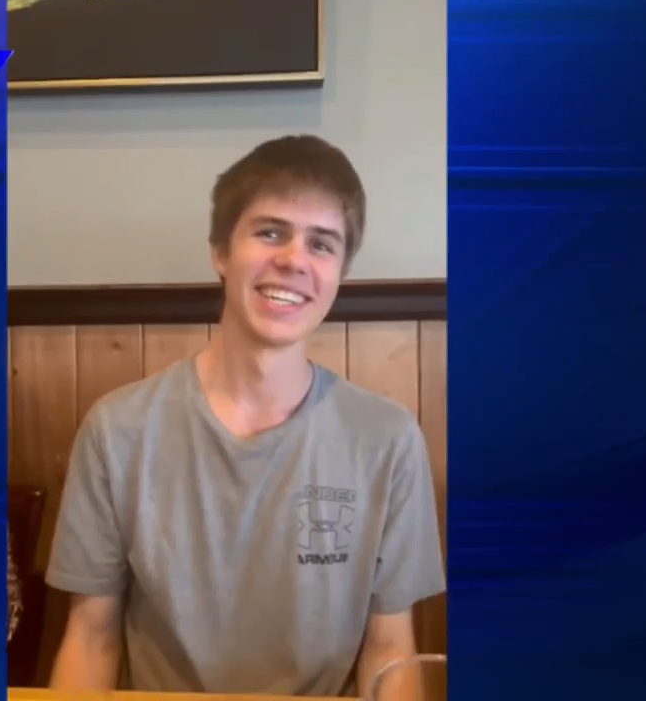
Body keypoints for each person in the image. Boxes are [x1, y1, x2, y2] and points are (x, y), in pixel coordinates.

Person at [44, 135, 445, 698]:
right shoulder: (117, 429)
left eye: (321, 244)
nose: (294, 260)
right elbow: (91, 639)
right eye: (271, 232)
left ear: (340, 273)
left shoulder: (388, 440)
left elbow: (391, 651)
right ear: (220, 252)